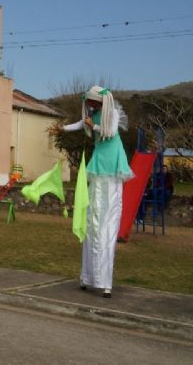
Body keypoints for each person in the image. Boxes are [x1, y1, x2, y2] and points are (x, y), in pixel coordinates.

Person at [51, 85, 133, 298]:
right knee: (93, 217)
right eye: (89, 103)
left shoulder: (111, 113)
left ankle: (105, 280)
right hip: (99, 164)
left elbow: (111, 132)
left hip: (112, 163)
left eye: (93, 102)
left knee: (108, 217)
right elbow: (80, 124)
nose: (90, 106)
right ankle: (88, 276)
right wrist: (62, 129)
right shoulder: (93, 114)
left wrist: (93, 126)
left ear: (101, 102)